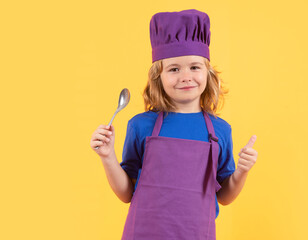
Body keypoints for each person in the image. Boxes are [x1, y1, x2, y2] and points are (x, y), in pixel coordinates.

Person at [90, 9, 258, 240]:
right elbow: (126, 193)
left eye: (194, 67)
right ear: (158, 77)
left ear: (208, 73)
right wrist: (107, 157)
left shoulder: (220, 130)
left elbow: (225, 197)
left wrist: (242, 171)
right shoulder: (140, 125)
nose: (186, 76)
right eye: (174, 69)